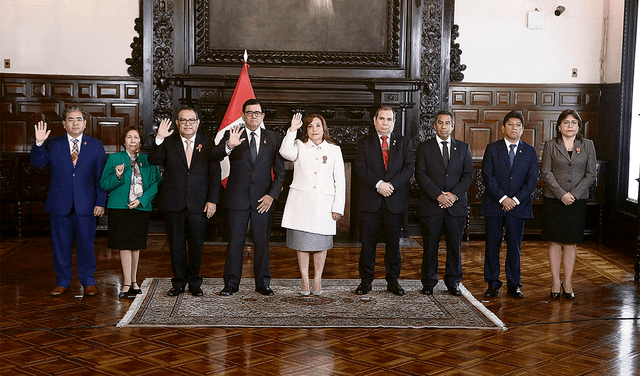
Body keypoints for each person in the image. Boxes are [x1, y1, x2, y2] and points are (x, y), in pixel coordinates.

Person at [30, 105, 107, 296]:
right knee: (60, 246)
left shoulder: (96, 145)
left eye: (79, 119)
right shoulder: (53, 143)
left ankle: (88, 281)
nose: (75, 123)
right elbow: (37, 164)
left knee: (86, 245)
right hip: (59, 204)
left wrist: (101, 202)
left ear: (85, 123)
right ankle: (62, 282)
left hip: (87, 205)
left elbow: (101, 176)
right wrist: (39, 144)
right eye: (71, 119)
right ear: (64, 124)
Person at [212, 99, 285, 296]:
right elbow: (214, 155)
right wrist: (229, 145)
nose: (254, 116)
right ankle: (231, 284)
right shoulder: (233, 134)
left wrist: (272, 195)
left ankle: (263, 283)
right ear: (243, 116)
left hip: (263, 200)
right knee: (235, 243)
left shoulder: (274, 138)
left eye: (257, 113)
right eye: (249, 113)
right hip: (237, 199)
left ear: (263, 116)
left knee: (262, 243)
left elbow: (280, 173)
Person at [148, 107, 220, 297]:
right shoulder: (169, 142)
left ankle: (195, 283)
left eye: (191, 120)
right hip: (174, 203)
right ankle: (178, 283)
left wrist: (212, 200)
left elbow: (215, 174)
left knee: (196, 245)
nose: (187, 124)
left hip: (199, 204)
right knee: (176, 246)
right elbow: (154, 159)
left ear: (197, 123)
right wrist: (159, 139)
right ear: (178, 123)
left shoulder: (208, 143)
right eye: (183, 120)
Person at [279, 113, 346, 295]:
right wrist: (292, 129)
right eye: (310, 126)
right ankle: (304, 280)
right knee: (302, 244)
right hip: (301, 204)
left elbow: (340, 181)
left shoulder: (334, 150)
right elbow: (285, 152)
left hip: (324, 205)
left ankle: (317, 279)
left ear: (323, 129)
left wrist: (337, 207)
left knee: (320, 244)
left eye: (318, 126)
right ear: (306, 130)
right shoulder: (299, 146)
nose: (314, 129)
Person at [354, 106, 414, 296]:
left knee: (393, 245)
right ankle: (365, 281)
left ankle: (393, 281)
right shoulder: (364, 143)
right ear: (375, 120)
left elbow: (408, 168)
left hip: (394, 202)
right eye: (382, 119)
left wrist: (391, 185)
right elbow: (361, 169)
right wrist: (379, 184)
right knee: (367, 244)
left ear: (394, 122)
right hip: (370, 202)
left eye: (389, 120)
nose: (385, 123)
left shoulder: (404, 143)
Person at [480, 111, 538, 299]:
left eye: (518, 125)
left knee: (515, 246)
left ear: (522, 128)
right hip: (495, 205)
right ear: (503, 127)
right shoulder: (492, 148)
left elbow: (532, 180)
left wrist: (515, 200)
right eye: (511, 124)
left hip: (519, 206)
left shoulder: (530, 151)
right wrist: (503, 198)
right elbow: (487, 177)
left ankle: (514, 284)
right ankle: (492, 283)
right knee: (492, 245)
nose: (514, 128)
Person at [415, 110, 473, 296]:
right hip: (432, 205)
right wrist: (438, 195)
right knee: (430, 246)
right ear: (435, 125)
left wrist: (453, 195)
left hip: (456, 207)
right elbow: (420, 175)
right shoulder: (424, 148)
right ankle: (429, 282)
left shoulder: (463, 148)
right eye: (440, 123)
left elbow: (468, 175)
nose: (444, 126)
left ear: (453, 126)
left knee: (454, 247)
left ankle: (453, 282)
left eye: (447, 123)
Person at [541, 109, 596, 300]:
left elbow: (591, 174)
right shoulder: (550, 145)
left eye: (573, 123)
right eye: (566, 122)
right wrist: (561, 194)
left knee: (571, 241)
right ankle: (556, 281)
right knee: (555, 240)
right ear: (559, 126)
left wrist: (573, 194)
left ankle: (568, 281)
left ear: (579, 126)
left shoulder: (588, 145)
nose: (570, 126)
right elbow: (546, 172)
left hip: (577, 200)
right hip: (554, 199)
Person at [100, 126, 161, 298]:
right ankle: (127, 283)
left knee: (136, 245)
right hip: (120, 207)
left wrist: (141, 200)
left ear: (141, 141)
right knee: (124, 246)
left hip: (140, 207)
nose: (132, 140)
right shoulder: (114, 158)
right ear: (124, 141)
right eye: (129, 137)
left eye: (136, 137)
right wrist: (117, 176)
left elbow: (156, 183)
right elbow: (105, 184)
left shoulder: (149, 159)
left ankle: (134, 281)